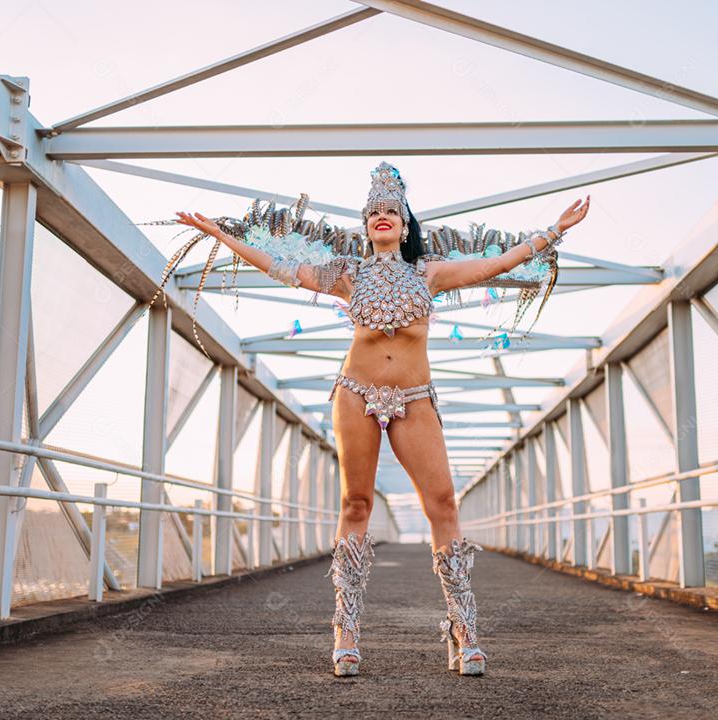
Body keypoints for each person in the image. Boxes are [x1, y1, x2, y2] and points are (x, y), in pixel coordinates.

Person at [175, 162, 590, 677]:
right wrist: (220, 236)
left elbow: (496, 266)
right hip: (356, 395)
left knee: (442, 502)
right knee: (356, 502)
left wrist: (555, 231)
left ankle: (464, 630)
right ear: (365, 224)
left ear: (406, 223)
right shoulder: (347, 277)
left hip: (414, 398)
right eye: (375, 213)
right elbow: (278, 268)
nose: (383, 218)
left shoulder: (429, 273)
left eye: (393, 211)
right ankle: (345, 630)